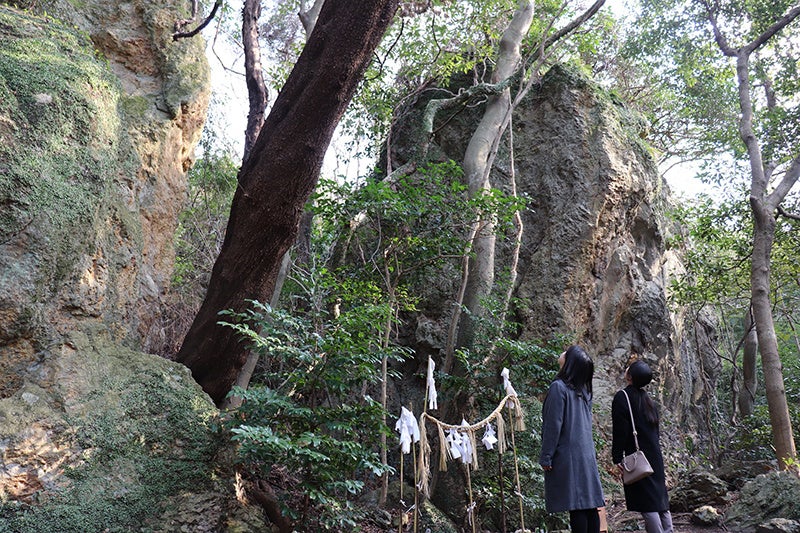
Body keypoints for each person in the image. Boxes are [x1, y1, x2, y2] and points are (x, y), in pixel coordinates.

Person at [540, 345, 605, 533]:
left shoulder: (558, 388)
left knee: (576, 505)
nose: (562, 353)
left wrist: (546, 456)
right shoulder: (584, 391)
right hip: (586, 454)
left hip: (568, 454)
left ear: (570, 363)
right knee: (589, 504)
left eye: (566, 353)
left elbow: (553, 426)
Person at [611, 360, 673, 533]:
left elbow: (620, 432)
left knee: (648, 504)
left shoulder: (623, 397)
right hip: (655, 456)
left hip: (638, 458)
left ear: (630, 376)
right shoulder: (649, 401)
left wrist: (617, 458)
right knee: (660, 501)